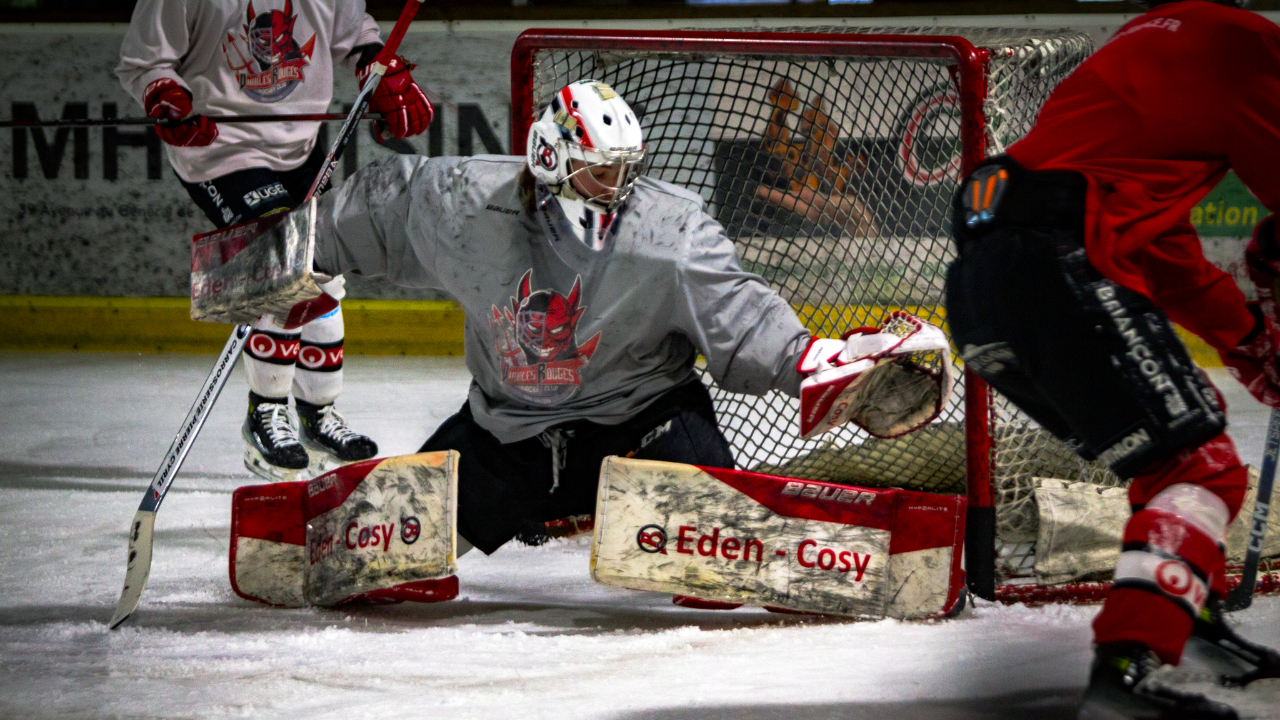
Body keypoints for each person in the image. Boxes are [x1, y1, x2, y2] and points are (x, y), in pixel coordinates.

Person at [288, 80, 935, 555]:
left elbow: (741, 314)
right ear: (551, 162)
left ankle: (665, 509)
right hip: (507, 437)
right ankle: (537, 504)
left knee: (718, 544)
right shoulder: (466, 205)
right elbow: (379, 209)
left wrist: (810, 362)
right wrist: (287, 255)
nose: (617, 188)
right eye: (600, 172)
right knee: (369, 560)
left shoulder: (668, 228)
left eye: (626, 171)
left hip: (644, 426)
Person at [944, 1, 1280, 717]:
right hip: (1054, 260)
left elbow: (1165, 252)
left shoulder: (1157, 49)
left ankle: (1187, 621)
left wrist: (1248, 336)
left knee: (1169, 459)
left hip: (984, 284)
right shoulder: (1253, 50)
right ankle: (1129, 671)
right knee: (1199, 467)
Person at [115, 0, 433, 481]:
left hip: (302, 146)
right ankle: (264, 412)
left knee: (321, 271)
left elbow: (354, 34)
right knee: (282, 263)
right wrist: (163, 93)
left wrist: (376, 65)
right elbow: (144, 60)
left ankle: (317, 415)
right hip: (220, 148)